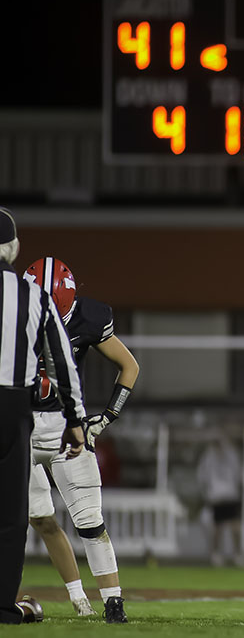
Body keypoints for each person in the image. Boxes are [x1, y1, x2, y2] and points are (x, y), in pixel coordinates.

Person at [22, 256, 139, 624]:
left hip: (65, 427)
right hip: (19, 426)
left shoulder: (89, 318)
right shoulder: (10, 314)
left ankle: (113, 602)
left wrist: (107, 416)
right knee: (38, 517)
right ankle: (77, 598)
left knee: (89, 519)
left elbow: (129, 365)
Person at [0, 210, 86, 625]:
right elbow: (64, 362)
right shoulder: (33, 296)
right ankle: (3, 605)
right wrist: (76, 419)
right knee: (13, 515)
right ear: (14, 249)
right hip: (16, 408)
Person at [197, 436, 244, 567]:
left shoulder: (231, 454)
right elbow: (202, 475)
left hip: (230, 495)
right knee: (218, 528)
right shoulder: (209, 456)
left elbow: (237, 473)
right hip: (217, 496)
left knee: (234, 527)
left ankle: (237, 554)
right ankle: (216, 554)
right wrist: (207, 493)